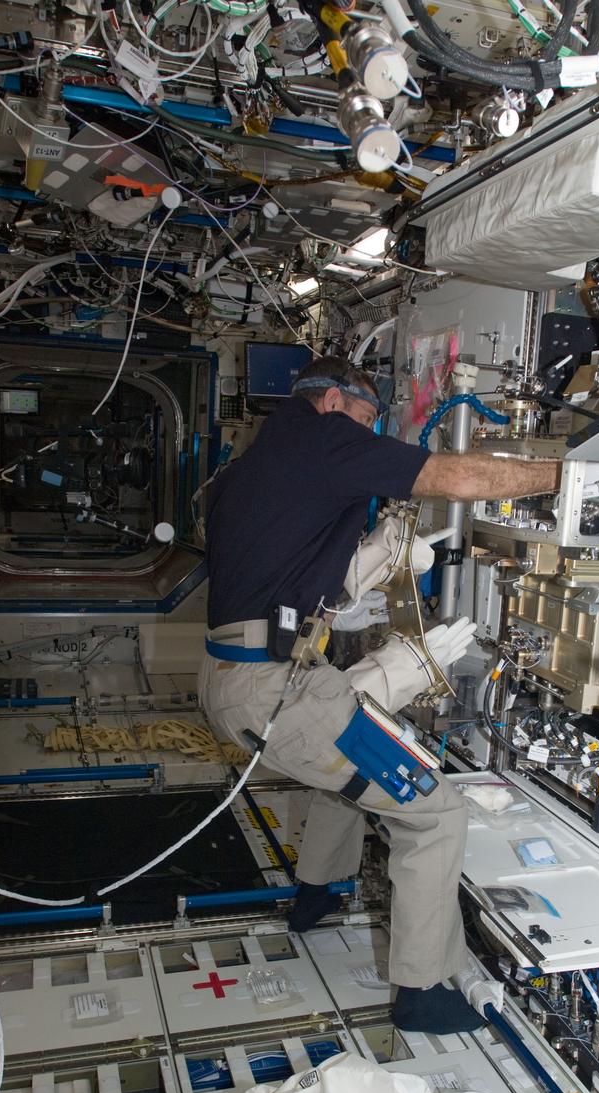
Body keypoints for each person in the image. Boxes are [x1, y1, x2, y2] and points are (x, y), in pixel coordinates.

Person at [200, 355, 560, 1034]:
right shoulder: (324, 437)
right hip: (273, 690)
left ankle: (315, 895)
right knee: (435, 814)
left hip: (236, 677)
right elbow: (454, 478)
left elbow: (295, 576)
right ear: (335, 401)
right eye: (369, 419)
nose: (369, 436)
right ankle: (421, 991)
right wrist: (567, 476)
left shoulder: (251, 466)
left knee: (343, 767)